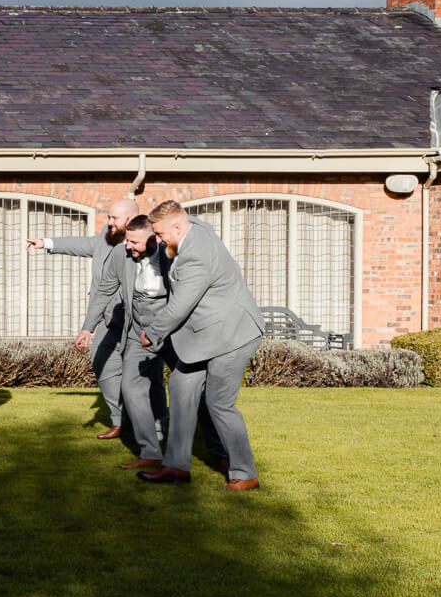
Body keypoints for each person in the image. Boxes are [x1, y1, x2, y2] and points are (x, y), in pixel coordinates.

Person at [137, 201, 265, 491]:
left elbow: (180, 306)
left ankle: (245, 474)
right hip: (208, 335)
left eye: (160, 234)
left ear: (177, 227)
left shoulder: (195, 255)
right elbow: (182, 217)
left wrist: (153, 334)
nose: (158, 241)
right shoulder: (193, 227)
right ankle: (176, 466)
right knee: (181, 386)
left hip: (232, 335)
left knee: (219, 403)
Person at [26, 197, 139, 439]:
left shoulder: (146, 241)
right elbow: (83, 244)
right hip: (108, 318)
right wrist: (46, 243)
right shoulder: (107, 237)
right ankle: (120, 420)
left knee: (144, 374)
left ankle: (156, 426)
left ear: (129, 220)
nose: (109, 222)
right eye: (108, 217)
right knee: (102, 364)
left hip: (137, 322)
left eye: (114, 218)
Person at [83, 216, 172, 470]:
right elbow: (104, 291)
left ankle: (217, 450)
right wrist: (87, 327)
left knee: (190, 389)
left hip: (172, 329)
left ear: (153, 239)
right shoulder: (121, 255)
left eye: (134, 241)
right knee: (131, 387)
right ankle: (150, 451)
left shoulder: (171, 255)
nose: (128, 245)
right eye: (127, 240)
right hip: (138, 330)